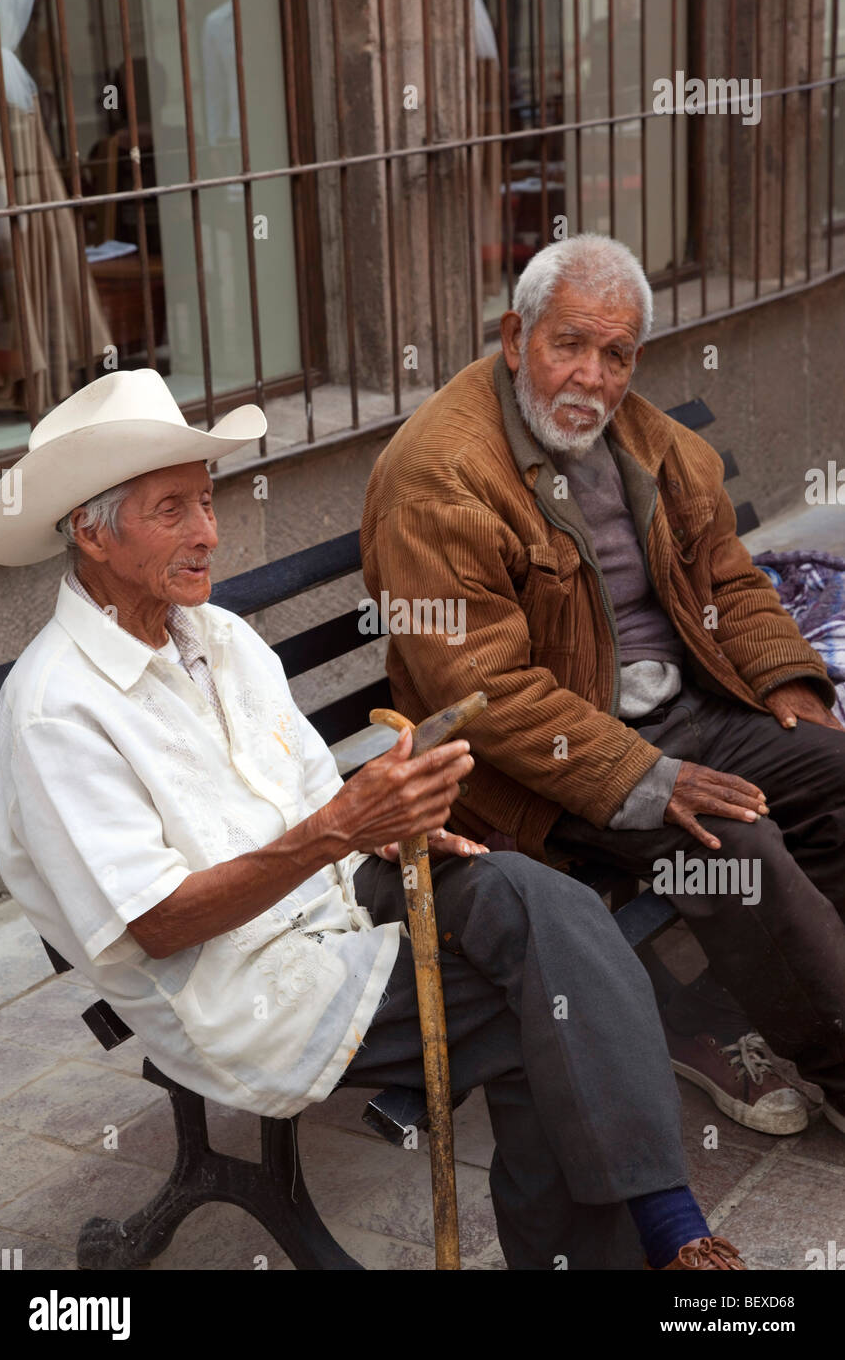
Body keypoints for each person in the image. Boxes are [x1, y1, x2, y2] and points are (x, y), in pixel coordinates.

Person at [0, 368, 743, 1271]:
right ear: (89, 534)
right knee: (547, 1009)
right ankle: (660, 1238)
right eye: (172, 511)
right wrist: (341, 826)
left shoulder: (216, 636)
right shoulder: (55, 711)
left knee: (533, 896)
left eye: (207, 501)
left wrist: (390, 820)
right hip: (237, 987)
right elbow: (156, 920)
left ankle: (659, 1233)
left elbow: (310, 795)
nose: (208, 533)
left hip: (333, 896)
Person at [360, 233, 845, 1141]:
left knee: (831, 768)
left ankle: (766, 1001)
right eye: (568, 345)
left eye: (616, 354)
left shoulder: (645, 438)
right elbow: (487, 692)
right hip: (539, 763)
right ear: (515, 339)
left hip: (688, 708)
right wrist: (647, 778)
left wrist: (789, 681)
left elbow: (731, 579)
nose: (592, 375)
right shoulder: (439, 480)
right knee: (740, 849)